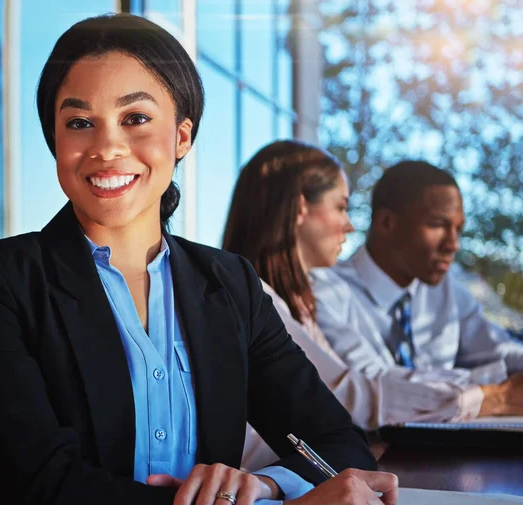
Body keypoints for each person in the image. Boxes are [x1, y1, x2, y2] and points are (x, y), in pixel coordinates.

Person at [0, 14, 397, 505]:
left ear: (181, 136)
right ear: (56, 140)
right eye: (80, 122)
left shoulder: (230, 283)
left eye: (135, 119)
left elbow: (336, 442)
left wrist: (266, 489)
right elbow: (43, 485)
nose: (106, 147)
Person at [222, 142, 522, 452]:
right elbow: (349, 393)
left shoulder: (292, 303)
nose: (350, 225)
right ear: (300, 209)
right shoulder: (305, 294)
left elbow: (499, 348)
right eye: (341, 207)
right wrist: (493, 396)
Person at [311, 160, 523, 420]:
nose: (452, 245)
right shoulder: (327, 290)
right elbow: (371, 384)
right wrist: (491, 390)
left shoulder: (447, 289)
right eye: (438, 225)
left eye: (457, 229)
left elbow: (498, 348)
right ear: (387, 222)